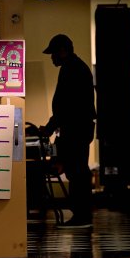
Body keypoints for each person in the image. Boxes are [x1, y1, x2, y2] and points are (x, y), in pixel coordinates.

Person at [39, 34, 96, 228]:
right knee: (77, 170)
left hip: (75, 129)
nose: (52, 57)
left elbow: (65, 106)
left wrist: (49, 128)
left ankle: (82, 215)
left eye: (53, 53)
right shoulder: (76, 67)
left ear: (62, 50)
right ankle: (82, 214)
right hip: (80, 128)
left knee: (77, 172)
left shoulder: (71, 70)